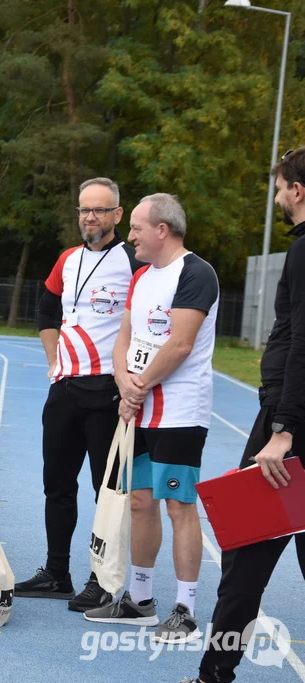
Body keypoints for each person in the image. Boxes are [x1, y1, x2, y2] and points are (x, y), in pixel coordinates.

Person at [183, 148, 305, 683]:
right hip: (289, 419)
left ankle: (215, 675)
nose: (277, 197)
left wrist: (283, 430)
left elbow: (302, 342)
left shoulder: (303, 252)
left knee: (244, 558)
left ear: (297, 190)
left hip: (288, 430)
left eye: (280, 187)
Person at [84, 193, 219, 645]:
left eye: (138, 226)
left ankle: (186, 607)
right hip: (137, 409)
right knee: (139, 502)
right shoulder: (141, 275)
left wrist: (137, 388)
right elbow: (126, 337)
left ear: (162, 230)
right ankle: (140, 600)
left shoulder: (197, 274)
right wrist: (124, 380)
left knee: (180, 506)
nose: (132, 235)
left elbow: (179, 345)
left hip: (179, 411)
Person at [15, 178, 143, 612]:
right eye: (84, 210)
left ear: (117, 216)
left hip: (107, 391)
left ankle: (101, 579)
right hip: (64, 388)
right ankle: (57, 573)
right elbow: (47, 309)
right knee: (57, 484)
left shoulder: (132, 261)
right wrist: (54, 361)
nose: (90, 218)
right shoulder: (68, 259)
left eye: (100, 210)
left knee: (106, 491)